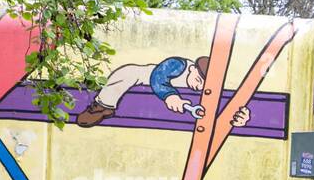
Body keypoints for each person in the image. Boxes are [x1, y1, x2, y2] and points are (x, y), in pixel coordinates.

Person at [76, 55, 251, 129]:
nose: (198, 88)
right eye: (198, 81)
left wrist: (239, 117)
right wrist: (170, 96)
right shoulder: (179, 64)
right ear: (192, 69)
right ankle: (102, 106)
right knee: (126, 73)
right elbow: (158, 77)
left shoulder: (205, 90)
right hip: (144, 76)